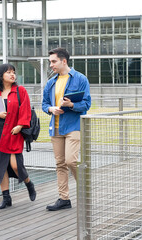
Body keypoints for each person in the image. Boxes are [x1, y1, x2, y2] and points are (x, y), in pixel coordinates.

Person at [42, 48, 91, 211]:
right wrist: (51, 109)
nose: (51, 65)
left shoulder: (80, 79)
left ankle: (85, 191)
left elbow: (86, 104)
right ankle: (64, 199)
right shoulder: (51, 82)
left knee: (71, 160)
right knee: (60, 164)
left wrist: (71, 105)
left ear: (64, 61)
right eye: (50, 62)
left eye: (53, 61)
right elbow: (44, 104)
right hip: (55, 127)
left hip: (73, 126)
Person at [0, 63, 37, 210]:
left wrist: (20, 126)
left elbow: (25, 110)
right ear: (1, 76)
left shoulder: (20, 91)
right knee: (0, 168)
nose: (12, 74)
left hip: (14, 132)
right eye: (8, 72)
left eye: (14, 72)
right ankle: (6, 198)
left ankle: (28, 183)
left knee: (15, 165)